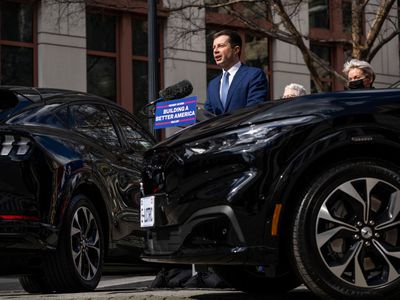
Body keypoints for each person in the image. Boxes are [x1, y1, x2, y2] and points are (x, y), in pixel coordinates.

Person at [204, 30, 269, 115]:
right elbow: (207, 116)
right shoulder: (213, 84)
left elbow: (254, 110)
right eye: (214, 47)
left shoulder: (254, 75)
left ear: (236, 50)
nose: (215, 51)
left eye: (221, 46)